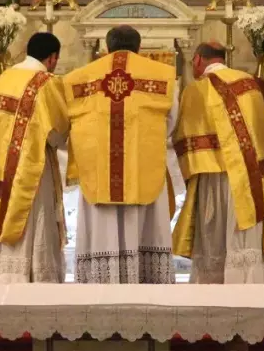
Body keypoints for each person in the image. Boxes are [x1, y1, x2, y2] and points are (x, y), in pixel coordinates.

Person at [172, 42, 264, 285]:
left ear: (197, 60)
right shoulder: (257, 84)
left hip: (217, 176)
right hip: (258, 175)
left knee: (219, 240)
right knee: (250, 241)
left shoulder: (195, 90)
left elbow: (183, 136)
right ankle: (258, 288)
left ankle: (218, 294)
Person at [64, 25, 178, 284]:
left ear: (107, 46)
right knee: (145, 228)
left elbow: (69, 123)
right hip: (143, 165)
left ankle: (102, 284)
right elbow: (171, 121)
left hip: (98, 170)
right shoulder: (162, 75)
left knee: (103, 230)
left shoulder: (79, 78)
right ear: (139, 47)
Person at [0, 32, 69, 283]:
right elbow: (57, 134)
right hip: (30, 171)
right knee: (33, 219)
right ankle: (31, 278)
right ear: (53, 58)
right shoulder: (46, 82)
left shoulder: (0, 80)